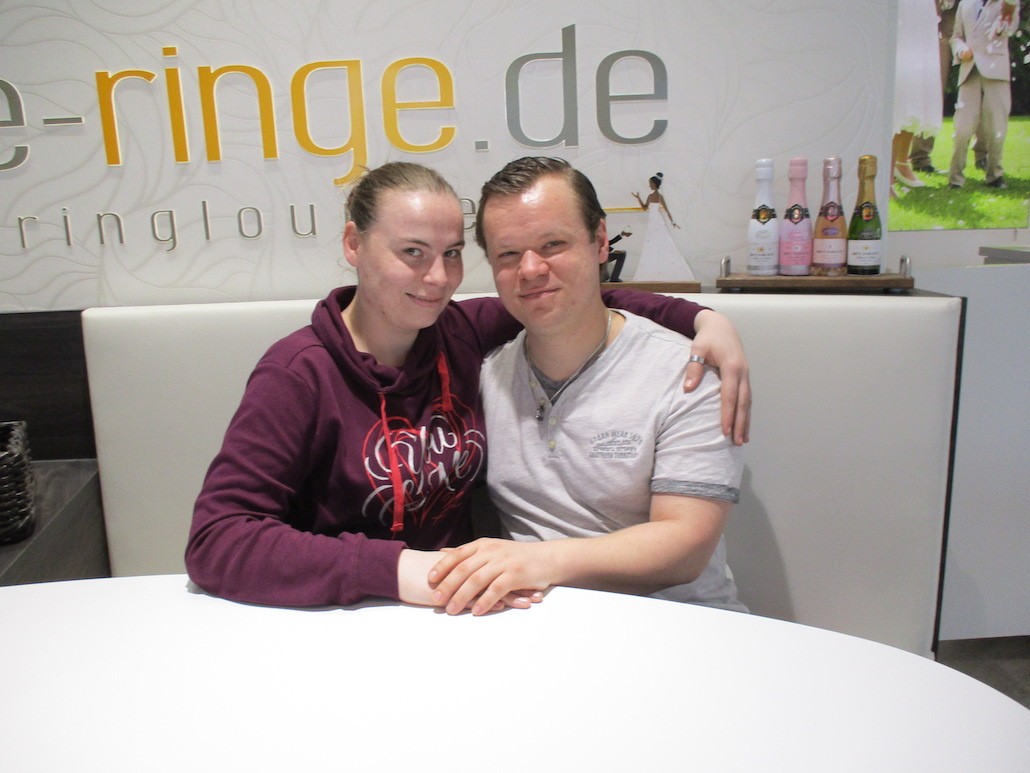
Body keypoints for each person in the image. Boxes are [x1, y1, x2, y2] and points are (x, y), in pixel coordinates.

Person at [185, 161, 752, 611]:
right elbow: (217, 538)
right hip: (374, 614)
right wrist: (399, 567)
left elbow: (579, 298)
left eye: (451, 254)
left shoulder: (458, 335)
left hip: (524, 614)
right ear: (354, 244)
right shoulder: (300, 372)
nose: (437, 278)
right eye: (412, 252)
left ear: (600, 241)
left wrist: (702, 317)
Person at [428, 157, 745, 616]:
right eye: (508, 254)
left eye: (553, 244)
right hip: (534, 624)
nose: (530, 269)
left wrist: (538, 561)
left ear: (599, 242)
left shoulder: (686, 372)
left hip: (680, 623)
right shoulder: (482, 376)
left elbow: (686, 547)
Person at [948, 0, 1019, 189]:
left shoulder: (1008, 2)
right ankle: (955, 178)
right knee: (962, 128)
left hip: (997, 71)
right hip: (969, 71)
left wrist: (1005, 17)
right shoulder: (965, 3)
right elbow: (956, 36)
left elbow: (1010, 29)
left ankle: (995, 175)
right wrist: (960, 49)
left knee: (997, 127)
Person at [891, 0, 944, 196]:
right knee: (901, 81)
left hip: (921, 9)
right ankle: (885, 174)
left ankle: (901, 161)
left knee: (915, 84)